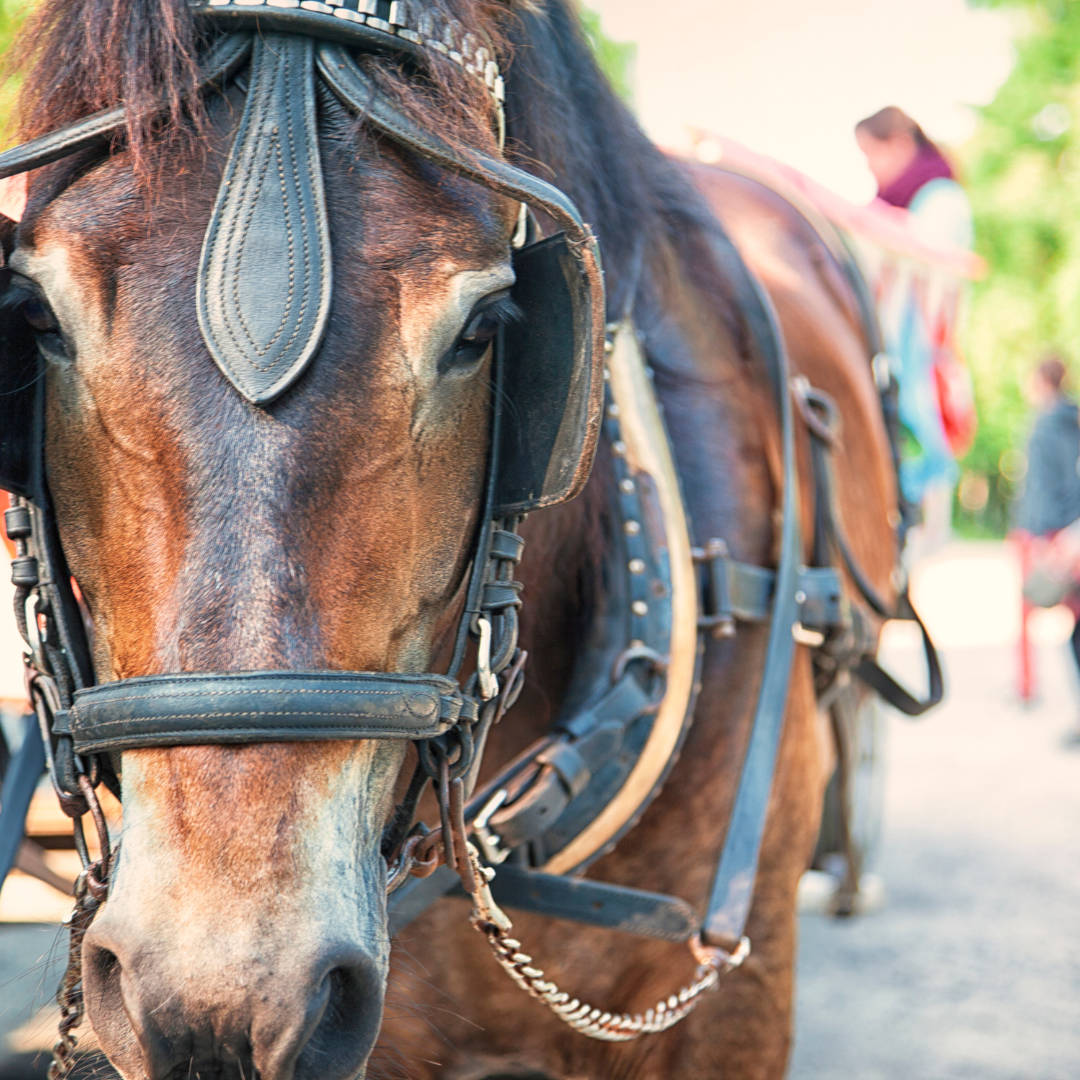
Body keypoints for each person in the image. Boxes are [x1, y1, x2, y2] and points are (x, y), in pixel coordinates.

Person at [856, 107, 974, 557]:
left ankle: (918, 532)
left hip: (917, 349)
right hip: (903, 349)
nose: (870, 167)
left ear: (900, 143)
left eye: (872, 153)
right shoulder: (905, 201)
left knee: (914, 429)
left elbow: (931, 286)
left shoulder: (940, 199)